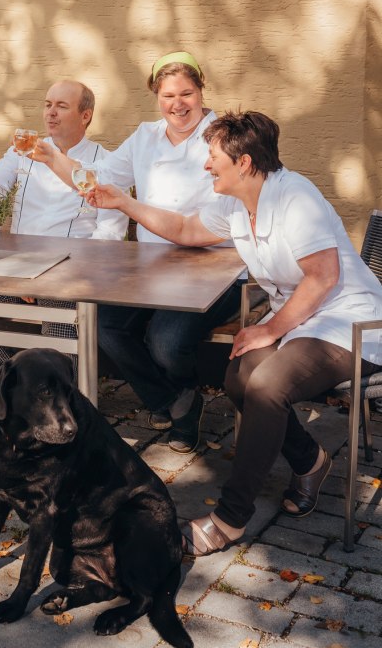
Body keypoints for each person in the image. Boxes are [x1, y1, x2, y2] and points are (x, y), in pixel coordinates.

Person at [88, 110, 382, 555]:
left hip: (349, 321)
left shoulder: (294, 197)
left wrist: (270, 328)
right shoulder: (234, 202)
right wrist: (124, 203)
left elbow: (322, 277)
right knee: (237, 376)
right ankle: (309, 460)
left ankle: (230, 518)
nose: (206, 165)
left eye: (213, 157)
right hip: (303, 319)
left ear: (243, 162)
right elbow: (186, 229)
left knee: (266, 384)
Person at [36, 52, 240, 452]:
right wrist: (53, 159)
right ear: (156, 97)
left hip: (216, 265)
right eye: (168, 95)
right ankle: (176, 401)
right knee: (103, 323)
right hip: (153, 266)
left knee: (166, 342)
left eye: (186, 93)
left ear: (201, 91)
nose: (177, 104)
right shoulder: (145, 137)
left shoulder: (223, 137)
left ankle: (177, 398)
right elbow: (97, 181)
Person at [0, 79, 127, 379]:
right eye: (47, 105)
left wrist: (56, 278)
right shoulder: (24, 151)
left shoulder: (105, 162)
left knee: (56, 348)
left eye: (61, 106)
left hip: (70, 279)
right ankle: (12, 387)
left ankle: (62, 400)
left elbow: (109, 236)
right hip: (17, 272)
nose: (50, 113)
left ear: (86, 116)